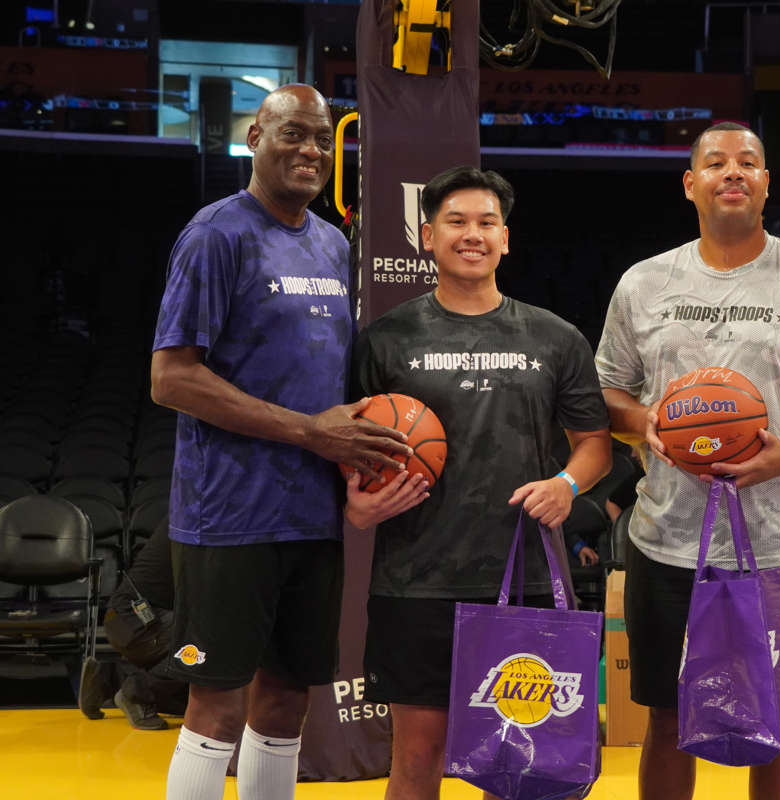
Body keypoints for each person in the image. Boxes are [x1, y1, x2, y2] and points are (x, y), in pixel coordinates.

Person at [595, 121, 780, 800]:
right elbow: (603, 392)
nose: (732, 172)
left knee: (776, 721)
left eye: (748, 162)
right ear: (689, 184)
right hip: (668, 539)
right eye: (716, 163)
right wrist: (646, 423)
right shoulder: (644, 283)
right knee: (667, 719)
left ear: (765, 183)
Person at [150, 84, 424, 800]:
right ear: (255, 139)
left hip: (311, 515)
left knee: (285, 701)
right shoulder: (217, 234)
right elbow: (171, 379)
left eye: (323, 139)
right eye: (294, 134)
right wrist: (309, 431)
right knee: (217, 703)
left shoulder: (332, 243)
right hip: (228, 515)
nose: (311, 151)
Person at [345, 165, 612, 800]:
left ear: (506, 238)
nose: (473, 234)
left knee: (521, 758)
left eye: (487, 223)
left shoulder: (555, 337)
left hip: (523, 577)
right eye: (457, 222)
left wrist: (566, 485)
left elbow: (596, 446)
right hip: (416, 578)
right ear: (426, 236)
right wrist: (358, 507)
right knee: (418, 755)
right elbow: (349, 445)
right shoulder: (384, 340)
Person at [78, 521, 189, 730]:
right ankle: (138, 693)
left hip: (124, 618)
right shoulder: (200, 524)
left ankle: (108, 679)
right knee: (208, 641)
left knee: (196, 700)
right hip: (138, 620)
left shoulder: (188, 514)